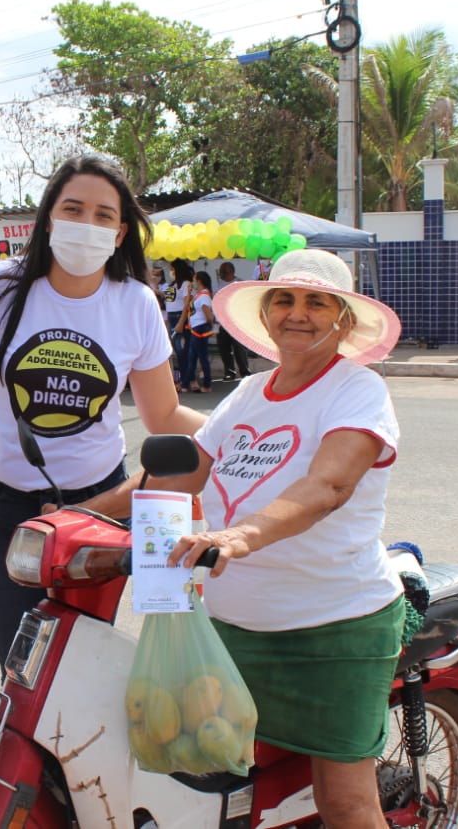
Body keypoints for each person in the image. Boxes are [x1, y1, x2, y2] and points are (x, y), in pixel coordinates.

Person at [82, 249, 403, 828]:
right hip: (230, 628)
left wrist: (241, 534)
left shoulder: (358, 390)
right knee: (202, 779)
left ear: (343, 319)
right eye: (284, 299)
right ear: (267, 311)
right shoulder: (251, 392)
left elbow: (329, 484)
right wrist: (78, 516)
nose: (297, 313)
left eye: (316, 302)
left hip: (333, 629)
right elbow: (180, 471)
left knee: (347, 804)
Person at [0, 153, 204, 663]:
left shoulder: (135, 302)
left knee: (80, 661)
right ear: (49, 219)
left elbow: (165, 417)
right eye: (73, 209)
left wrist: (249, 428)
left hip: (100, 508)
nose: (86, 225)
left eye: (103, 215)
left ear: (119, 234)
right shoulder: (1, 286)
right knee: (23, 664)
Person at [214, 261, 252, 381]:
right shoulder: (218, 285)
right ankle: (229, 372)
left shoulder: (239, 283)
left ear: (232, 272)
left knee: (239, 349)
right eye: (221, 272)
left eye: (224, 272)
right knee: (224, 349)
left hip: (236, 322)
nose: (222, 274)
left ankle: (245, 372)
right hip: (222, 322)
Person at [178, 270, 215, 393]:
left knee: (201, 357)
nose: (192, 282)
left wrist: (210, 325)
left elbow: (208, 314)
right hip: (195, 327)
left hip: (200, 328)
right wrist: (189, 293)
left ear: (198, 281)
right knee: (192, 357)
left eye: (194, 280)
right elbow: (187, 305)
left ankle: (207, 384)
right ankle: (184, 384)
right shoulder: (198, 295)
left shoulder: (204, 296)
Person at [163, 259, 195, 388]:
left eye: (172, 269)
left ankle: (187, 379)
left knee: (182, 351)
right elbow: (168, 299)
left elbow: (187, 304)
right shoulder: (173, 284)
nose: (170, 271)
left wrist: (181, 322)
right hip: (171, 317)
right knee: (177, 350)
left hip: (179, 317)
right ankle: (184, 379)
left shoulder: (186, 284)